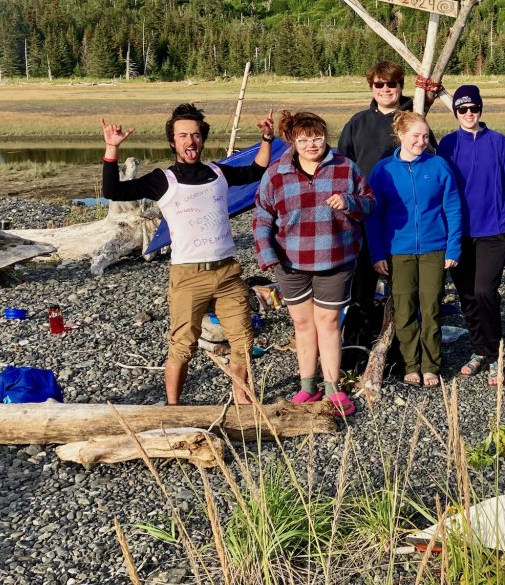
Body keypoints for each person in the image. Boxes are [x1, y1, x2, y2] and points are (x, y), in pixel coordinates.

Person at [101, 103, 274, 405]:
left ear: (202, 139)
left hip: (228, 272)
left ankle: (242, 400)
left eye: (195, 135)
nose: (190, 141)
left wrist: (267, 139)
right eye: (182, 135)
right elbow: (113, 191)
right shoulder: (162, 180)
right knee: (183, 346)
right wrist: (112, 148)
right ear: (173, 141)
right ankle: (173, 407)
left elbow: (256, 170)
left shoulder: (218, 172)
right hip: (188, 275)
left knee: (243, 341)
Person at [253, 111, 374, 416]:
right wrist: (266, 254)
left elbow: (370, 203)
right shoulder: (276, 173)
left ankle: (333, 389)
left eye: (317, 138)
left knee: (329, 323)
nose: (312, 145)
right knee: (303, 324)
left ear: (325, 138)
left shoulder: (345, 167)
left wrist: (349, 202)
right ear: (293, 141)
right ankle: (308, 387)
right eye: (304, 140)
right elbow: (262, 215)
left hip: (336, 258)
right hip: (290, 262)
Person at [337, 60, 433, 361]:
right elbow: (342, 166)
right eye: (379, 84)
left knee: (406, 284)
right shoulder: (357, 123)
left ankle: (405, 347)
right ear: (372, 87)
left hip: (407, 218)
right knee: (362, 281)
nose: (386, 89)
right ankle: (357, 343)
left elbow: (431, 160)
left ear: (400, 86)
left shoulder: (414, 119)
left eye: (392, 84)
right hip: (366, 215)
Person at [367, 111, 462, 387]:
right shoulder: (383, 170)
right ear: (400, 135)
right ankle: (411, 363)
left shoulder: (438, 166)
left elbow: (453, 208)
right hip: (398, 250)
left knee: (431, 307)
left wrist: (453, 247)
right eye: (415, 136)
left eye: (425, 136)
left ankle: (431, 364)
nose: (421, 141)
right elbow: (374, 215)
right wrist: (377, 253)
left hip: (435, 248)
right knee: (405, 309)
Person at [437, 85, 505, 386]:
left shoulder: (497, 141)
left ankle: (496, 352)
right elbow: (439, 187)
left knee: (485, 290)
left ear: (480, 109)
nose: (469, 113)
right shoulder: (447, 144)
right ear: (456, 112)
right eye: (463, 109)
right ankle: (479, 349)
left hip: (494, 231)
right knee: (468, 294)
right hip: (459, 233)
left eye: (474, 108)